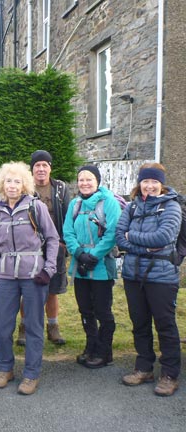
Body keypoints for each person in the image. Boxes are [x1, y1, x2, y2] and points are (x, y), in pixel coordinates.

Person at [0, 162, 59, 396]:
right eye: (8, 181)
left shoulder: (35, 207)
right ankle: (5, 369)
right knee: (2, 325)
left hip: (33, 276)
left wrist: (48, 269)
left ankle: (31, 374)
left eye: (17, 181)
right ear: (2, 184)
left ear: (24, 184)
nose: (12, 185)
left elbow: (53, 238)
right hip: (6, 275)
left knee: (33, 326)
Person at [115, 163, 181, 396]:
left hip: (162, 276)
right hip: (133, 275)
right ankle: (144, 367)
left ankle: (170, 374)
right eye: (145, 181)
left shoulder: (171, 207)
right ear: (139, 183)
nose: (150, 186)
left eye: (154, 181)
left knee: (165, 325)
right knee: (139, 323)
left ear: (161, 183)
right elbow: (118, 238)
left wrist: (132, 236)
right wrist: (145, 245)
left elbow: (164, 237)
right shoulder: (131, 207)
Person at [63, 165, 121, 369]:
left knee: (102, 311)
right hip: (80, 265)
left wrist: (92, 256)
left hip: (101, 266)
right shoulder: (75, 204)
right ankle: (91, 347)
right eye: (81, 179)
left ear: (97, 181)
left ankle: (105, 352)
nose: (85, 183)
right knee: (85, 310)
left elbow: (112, 233)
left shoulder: (110, 203)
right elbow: (67, 231)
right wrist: (78, 253)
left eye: (89, 179)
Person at [16, 150, 70, 346]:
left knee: (52, 290)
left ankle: (53, 327)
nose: (41, 169)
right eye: (37, 165)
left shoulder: (61, 189)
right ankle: (23, 327)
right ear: (32, 169)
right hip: (30, 248)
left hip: (55, 247)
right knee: (27, 289)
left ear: (50, 168)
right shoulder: (25, 189)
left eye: (44, 165)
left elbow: (68, 216)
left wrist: (64, 244)